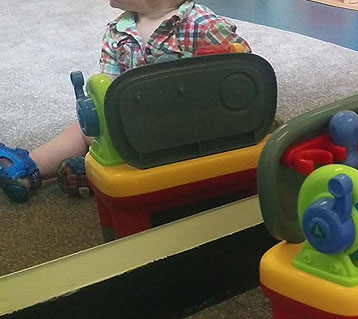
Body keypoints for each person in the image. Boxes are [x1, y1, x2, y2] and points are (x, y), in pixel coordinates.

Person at [0, 0, 250, 203]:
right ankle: (26, 169)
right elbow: (109, 91)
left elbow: (245, 73)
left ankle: (87, 173)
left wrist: (216, 66)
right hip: (135, 130)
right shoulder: (116, 31)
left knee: (94, 140)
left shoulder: (203, 25)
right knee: (89, 128)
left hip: (191, 131)